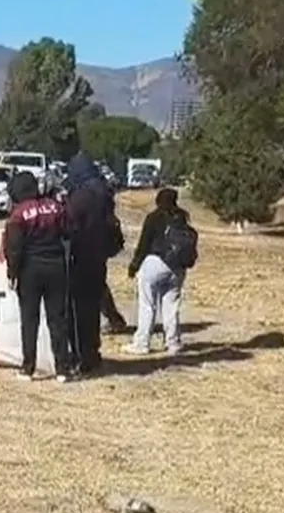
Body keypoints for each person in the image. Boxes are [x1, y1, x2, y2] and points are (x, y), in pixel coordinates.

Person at [5, 171, 72, 382]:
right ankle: (62, 369)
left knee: (29, 319)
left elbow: (14, 248)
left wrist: (12, 273)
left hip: (30, 270)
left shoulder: (18, 214)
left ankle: (28, 368)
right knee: (57, 319)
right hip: (56, 267)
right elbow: (68, 232)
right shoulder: (54, 206)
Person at [64, 153, 121, 376]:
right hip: (99, 258)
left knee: (78, 311)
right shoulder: (104, 192)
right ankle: (92, 353)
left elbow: (69, 223)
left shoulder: (82, 196)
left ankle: (81, 357)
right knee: (92, 309)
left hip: (81, 258)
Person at [125, 187, 198, 356]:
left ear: (158, 200)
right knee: (171, 306)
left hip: (155, 263)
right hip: (178, 267)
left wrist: (134, 266)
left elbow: (143, 245)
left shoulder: (154, 218)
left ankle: (142, 343)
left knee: (147, 305)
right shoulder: (182, 218)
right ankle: (173, 343)